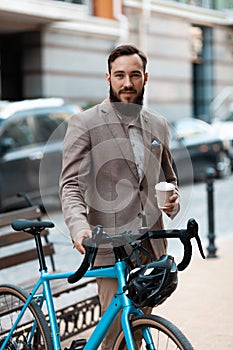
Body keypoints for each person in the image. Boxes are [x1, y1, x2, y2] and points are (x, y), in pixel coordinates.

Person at [60, 44, 180, 349]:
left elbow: (168, 178)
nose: (127, 83)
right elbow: (70, 185)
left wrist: (172, 201)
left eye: (135, 75)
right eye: (120, 75)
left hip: (150, 247)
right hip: (109, 245)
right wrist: (78, 227)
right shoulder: (85, 124)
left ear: (145, 78)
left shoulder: (159, 125)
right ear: (108, 78)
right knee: (114, 335)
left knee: (138, 332)